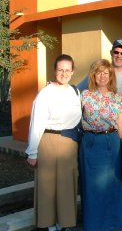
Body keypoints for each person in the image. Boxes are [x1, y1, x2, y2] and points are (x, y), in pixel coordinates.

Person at [26, 54, 81, 231]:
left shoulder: (75, 91)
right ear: (54, 71)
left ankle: (63, 223)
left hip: (69, 143)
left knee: (66, 185)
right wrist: (32, 152)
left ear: (72, 71)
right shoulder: (45, 93)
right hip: (48, 141)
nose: (64, 73)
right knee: (47, 185)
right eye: (60, 70)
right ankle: (49, 224)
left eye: (67, 70)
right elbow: (36, 123)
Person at [80, 59, 122, 231]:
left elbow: (121, 125)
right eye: (99, 72)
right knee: (92, 186)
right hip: (90, 143)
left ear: (111, 76)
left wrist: (121, 147)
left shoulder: (118, 98)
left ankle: (115, 223)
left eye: (106, 73)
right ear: (93, 75)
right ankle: (94, 225)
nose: (102, 76)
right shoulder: (84, 95)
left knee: (113, 183)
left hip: (111, 142)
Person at [78, 38, 122, 103]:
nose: (119, 56)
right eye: (116, 52)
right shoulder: (99, 71)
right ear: (111, 53)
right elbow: (78, 90)